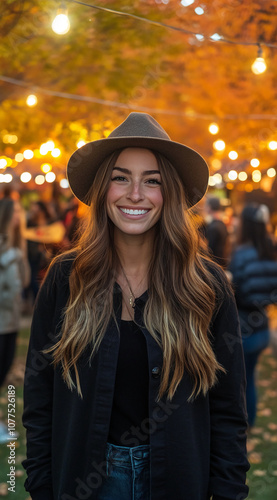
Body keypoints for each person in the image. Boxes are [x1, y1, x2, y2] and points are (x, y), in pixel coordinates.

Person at [22, 112, 249, 500]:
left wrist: (227, 492)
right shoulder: (65, 279)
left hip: (177, 478)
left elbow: (228, 410)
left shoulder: (205, 286)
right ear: (102, 189)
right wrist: (40, 485)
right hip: (83, 480)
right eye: (121, 177)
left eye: (152, 181)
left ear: (169, 193)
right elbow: (37, 397)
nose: (135, 194)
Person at [229, 203, 277, 428]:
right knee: (250, 378)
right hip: (262, 327)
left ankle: (244, 423)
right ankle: (250, 421)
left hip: (243, 327)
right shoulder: (272, 250)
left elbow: (235, 291)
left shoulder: (241, 253)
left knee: (242, 380)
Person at [0, 198, 30, 442]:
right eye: (17, 212)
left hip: (10, 322)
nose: (21, 216)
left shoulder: (18, 247)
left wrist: (22, 249)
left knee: (4, 371)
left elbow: (26, 281)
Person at [203, 196, 229, 267]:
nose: (204, 207)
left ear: (210, 207)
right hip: (222, 262)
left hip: (215, 264)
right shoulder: (222, 224)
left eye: (206, 205)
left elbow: (210, 250)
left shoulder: (213, 227)